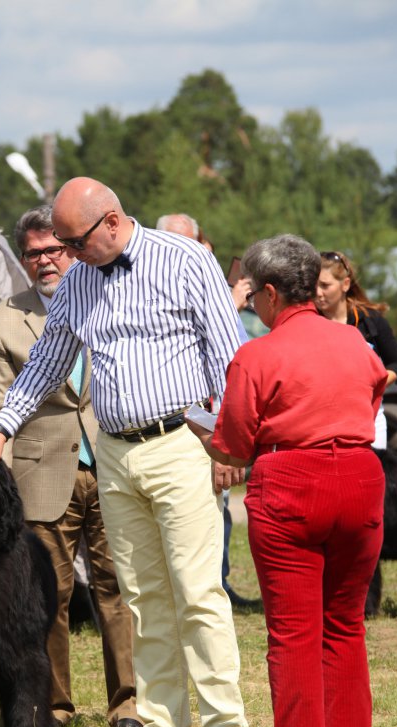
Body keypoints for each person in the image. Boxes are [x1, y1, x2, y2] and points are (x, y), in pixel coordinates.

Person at [0, 177, 249, 727]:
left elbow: (230, 357)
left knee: (198, 592)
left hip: (181, 443)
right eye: (58, 242)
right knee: (141, 598)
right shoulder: (81, 280)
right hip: (115, 451)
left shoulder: (187, 261)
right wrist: (1, 426)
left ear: (111, 222)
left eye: (73, 240)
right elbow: (47, 360)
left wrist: (230, 441)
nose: (65, 254)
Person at [187, 234, 387, 727]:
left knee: (295, 632)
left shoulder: (257, 354)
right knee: (345, 626)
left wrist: (198, 427)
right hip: (360, 478)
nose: (250, 305)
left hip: (291, 484)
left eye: (253, 295)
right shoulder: (355, 343)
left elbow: (231, 447)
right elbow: (370, 401)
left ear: (272, 293)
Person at [0, 205, 140, 727]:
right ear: (22, 259)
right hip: (40, 474)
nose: (45, 260)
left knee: (120, 590)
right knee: (48, 597)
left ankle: (129, 709)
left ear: (71, 247)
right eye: (33, 253)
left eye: (54, 248)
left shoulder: (110, 299)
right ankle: (53, 707)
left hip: (114, 463)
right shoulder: (2, 320)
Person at [157, 212, 257, 608]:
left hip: (208, 426)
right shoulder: (147, 291)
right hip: (168, 433)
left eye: (191, 245)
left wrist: (228, 441)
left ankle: (219, 585)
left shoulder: (209, 285)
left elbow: (234, 363)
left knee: (218, 513)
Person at [315, 250, 397, 449]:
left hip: (368, 418)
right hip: (321, 420)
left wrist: (374, 383)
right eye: (313, 285)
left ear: (345, 284)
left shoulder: (370, 320)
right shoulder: (309, 320)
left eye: (325, 285)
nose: (317, 292)